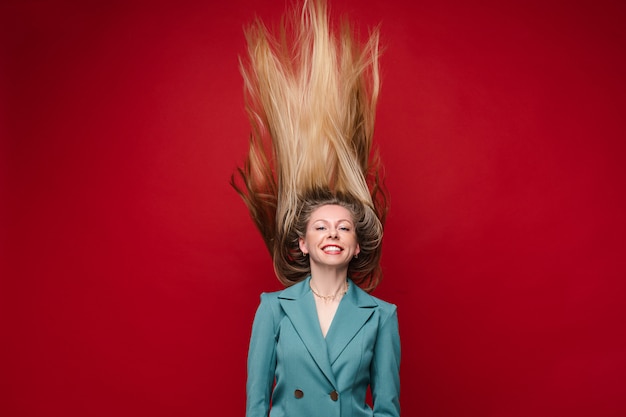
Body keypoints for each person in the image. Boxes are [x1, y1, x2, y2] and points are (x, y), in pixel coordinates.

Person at [232, 1, 400, 416]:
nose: (332, 235)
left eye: (344, 229)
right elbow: (256, 404)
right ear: (303, 243)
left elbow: (387, 407)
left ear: (358, 246)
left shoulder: (381, 316)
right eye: (321, 228)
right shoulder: (273, 309)